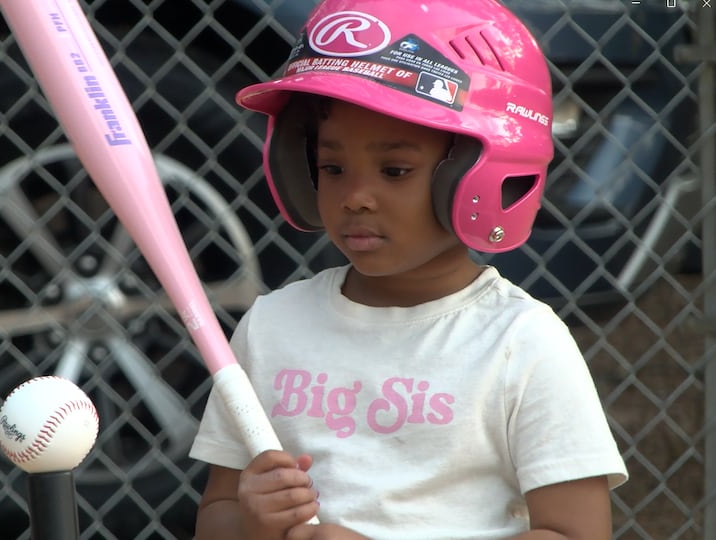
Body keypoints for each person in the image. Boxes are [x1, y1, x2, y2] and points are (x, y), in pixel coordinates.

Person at [189, 1, 628, 539]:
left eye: (395, 170)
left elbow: (577, 533)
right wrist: (254, 523)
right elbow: (217, 514)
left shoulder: (520, 343)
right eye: (331, 167)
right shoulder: (271, 326)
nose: (355, 197)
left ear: (480, 172)